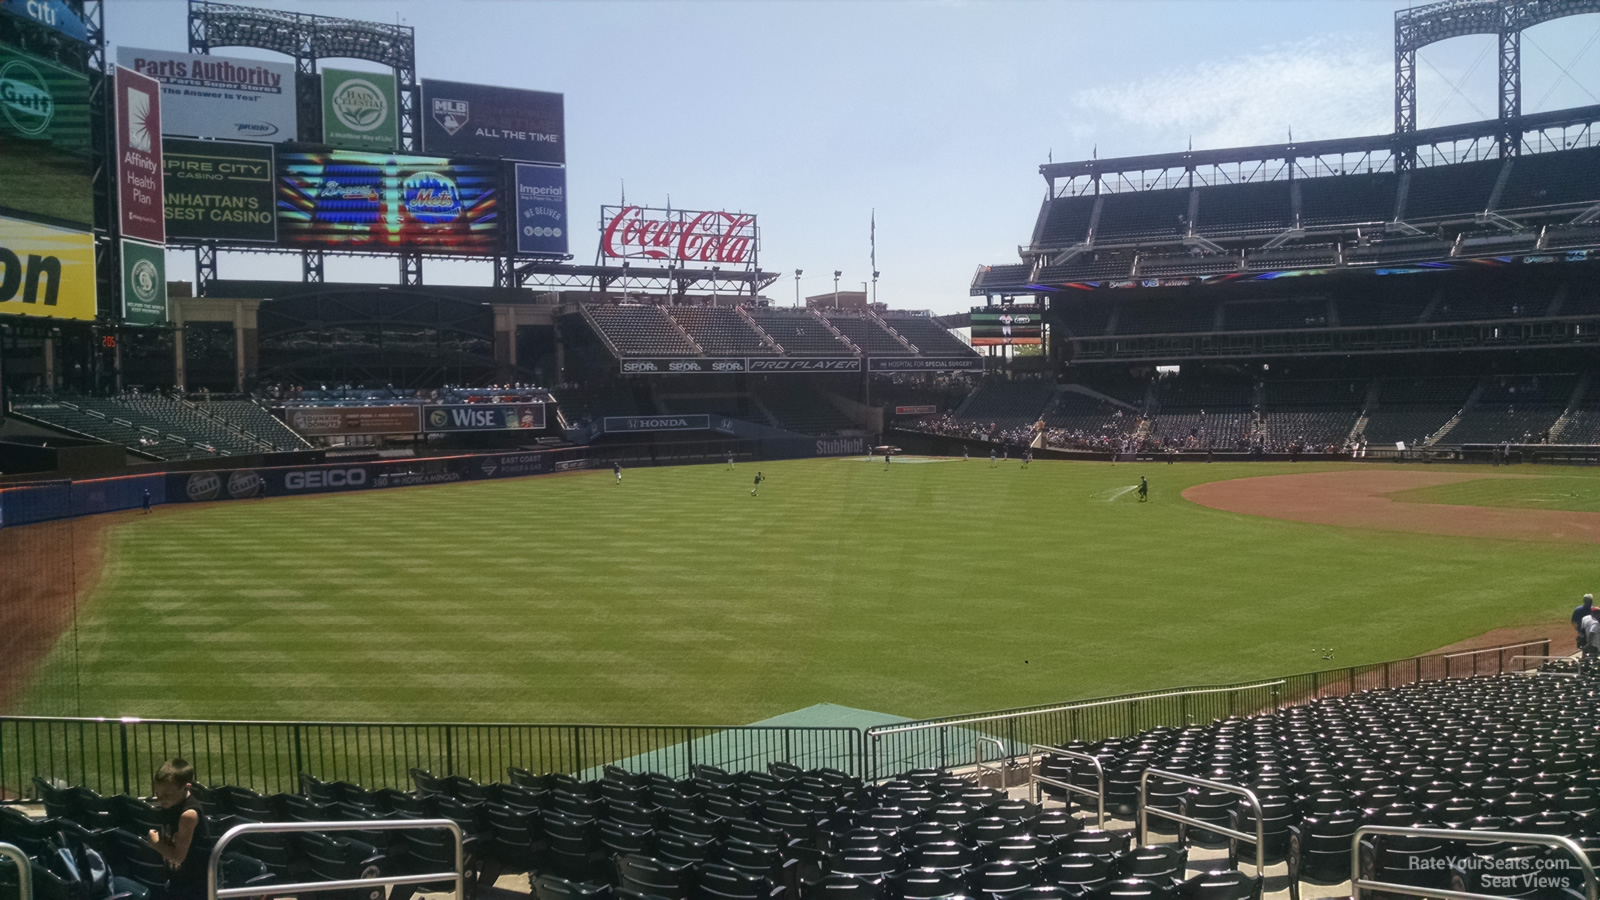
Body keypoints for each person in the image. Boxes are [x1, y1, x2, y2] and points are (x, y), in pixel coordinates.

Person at [148, 759, 205, 900]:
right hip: (179, 879)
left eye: (167, 795)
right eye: (158, 793)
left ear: (186, 787)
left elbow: (178, 856)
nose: (161, 799)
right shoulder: (169, 806)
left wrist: (155, 843)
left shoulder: (189, 814)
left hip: (198, 882)